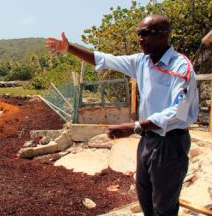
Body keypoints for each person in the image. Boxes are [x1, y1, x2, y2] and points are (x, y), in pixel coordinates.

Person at [45, 15, 199, 216]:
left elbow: (179, 112)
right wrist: (70, 48)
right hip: (148, 141)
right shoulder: (142, 61)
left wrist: (134, 126)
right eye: (138, 33)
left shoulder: (180, 66)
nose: (139, 38)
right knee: (145, 197)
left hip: (170, 143)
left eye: (145, 33)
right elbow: (105, 60)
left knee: (164, 207)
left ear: (164, 36)